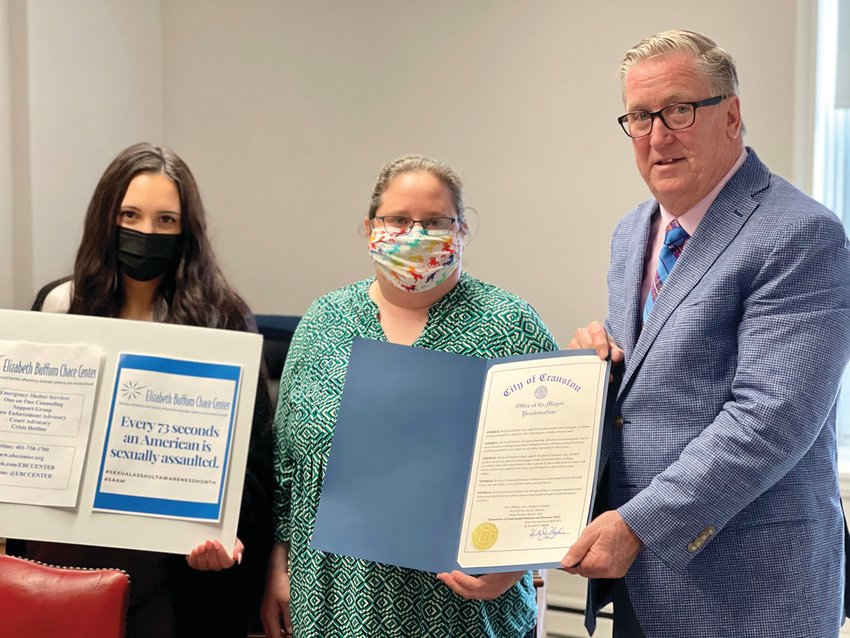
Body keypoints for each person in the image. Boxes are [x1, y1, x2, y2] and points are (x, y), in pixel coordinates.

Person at [561, 29, 850, 637]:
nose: (658, 136)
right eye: (640, 117)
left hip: (755, 590)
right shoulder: (632, 231)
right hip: (643, 587)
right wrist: (601, 365)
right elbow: (651, 390)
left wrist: (638, 525)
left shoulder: (801, 234)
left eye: (680, 110)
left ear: (732, 115)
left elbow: (770, 420)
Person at [261, 154, 557, 638]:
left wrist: (516, 566)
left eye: (435, 222)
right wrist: (278, 564)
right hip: (334, 601)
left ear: (462, 230)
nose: (415, 235)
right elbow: (287, 466)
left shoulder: (511, 325)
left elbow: (550, 470)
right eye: (398, 220)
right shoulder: (324, 321)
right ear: (369, 226)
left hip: (463, 611)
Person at [12, 142, 275, 638]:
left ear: (186, 230)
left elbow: (251, 462)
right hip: (68, 556)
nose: (145, 232)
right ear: (106, 218)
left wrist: (227, 533)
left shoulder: (222, 319)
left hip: (173, 570)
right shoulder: (59, 304)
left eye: (165, 221)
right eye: (130, 214)